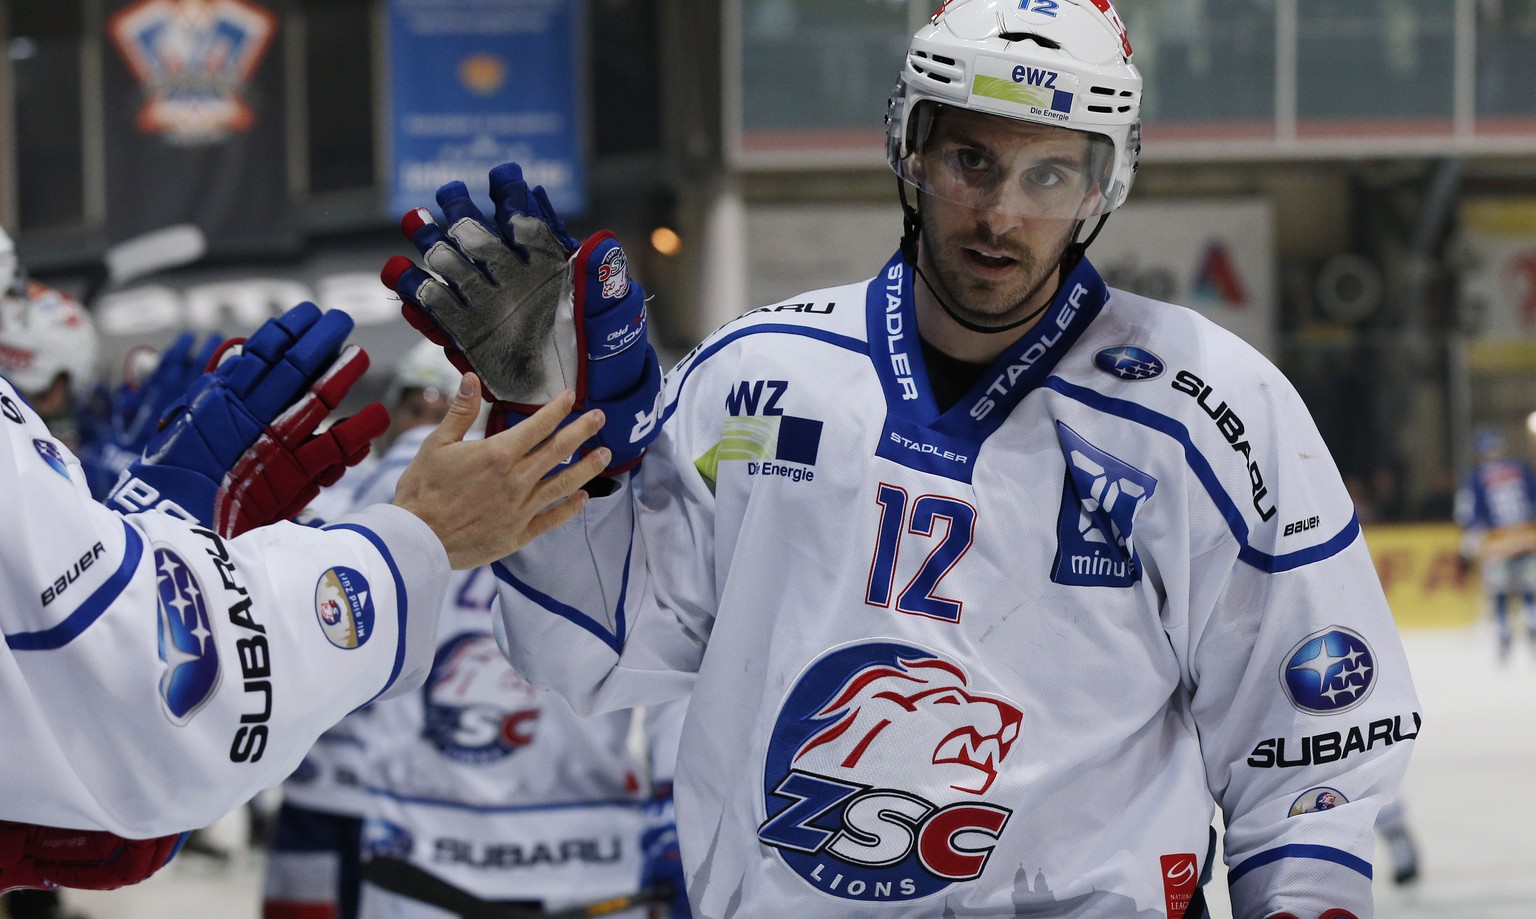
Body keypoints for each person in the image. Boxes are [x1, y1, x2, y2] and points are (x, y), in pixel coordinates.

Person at [385, 2, 1420, 917]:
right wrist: (561, 444)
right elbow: (599, 652)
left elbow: (1308, 751)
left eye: (1050, 172)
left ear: (1106, 184)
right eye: (973, 161)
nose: (1004, 212)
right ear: (911, 150)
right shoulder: (760, 373)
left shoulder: (1212, 407)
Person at [0, 299, 611, 898]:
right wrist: (411, 541)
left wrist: (161, 542)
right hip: (389, 802)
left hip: (456, 805)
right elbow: (155, 726)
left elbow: (105, 802)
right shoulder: (410, 485)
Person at [262, 341, 464, 919]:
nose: (421, 427)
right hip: (321, 778)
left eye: (440, 413)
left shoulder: (488, 513)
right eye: (415, 409)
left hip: (417, 789)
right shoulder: (336, 484)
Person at [1454, 426, 1536, 659]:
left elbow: (1468, 513)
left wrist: (1467, 544)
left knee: (1500, 591)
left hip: (1498, 540)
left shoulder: (1477, 478)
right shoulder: (1520, 468)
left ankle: (1503, 631)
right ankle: (1531, 623)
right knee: (1528, 587)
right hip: (1526, 536)